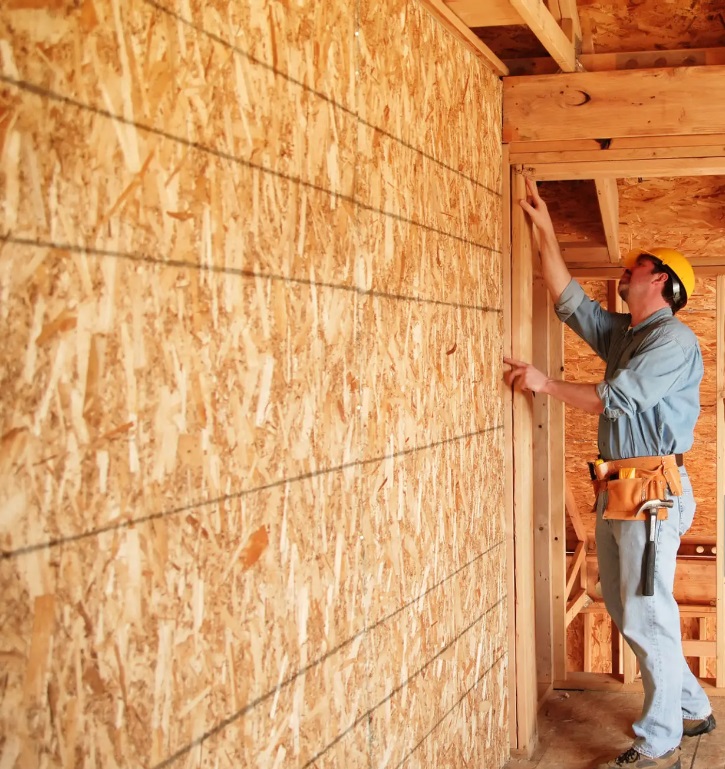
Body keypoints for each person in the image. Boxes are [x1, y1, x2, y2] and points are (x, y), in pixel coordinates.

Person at [504, 177, 716, 769]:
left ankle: (661, 733)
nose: (625, 275)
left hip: (652, 496)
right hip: (624, 492)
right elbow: (569, 298)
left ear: (663, 283)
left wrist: (545, 384)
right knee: (629, 610)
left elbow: (614, 400)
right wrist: (542, 226)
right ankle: (692, 706)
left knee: (647, 611)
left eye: (635, 269)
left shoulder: (672, 341)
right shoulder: (628, 334)